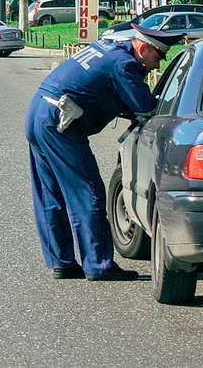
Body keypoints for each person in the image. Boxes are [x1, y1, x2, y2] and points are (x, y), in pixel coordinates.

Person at [25, 25, 184, 280]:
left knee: (49, 193)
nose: (156, 66)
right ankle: (98, 264)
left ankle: (62, 261)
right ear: (142, 48)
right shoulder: (124, 65)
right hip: (60, 123)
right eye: (158, 57)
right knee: (88, 191)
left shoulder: (107, 48)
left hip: (39, 112)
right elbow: (145, 106)